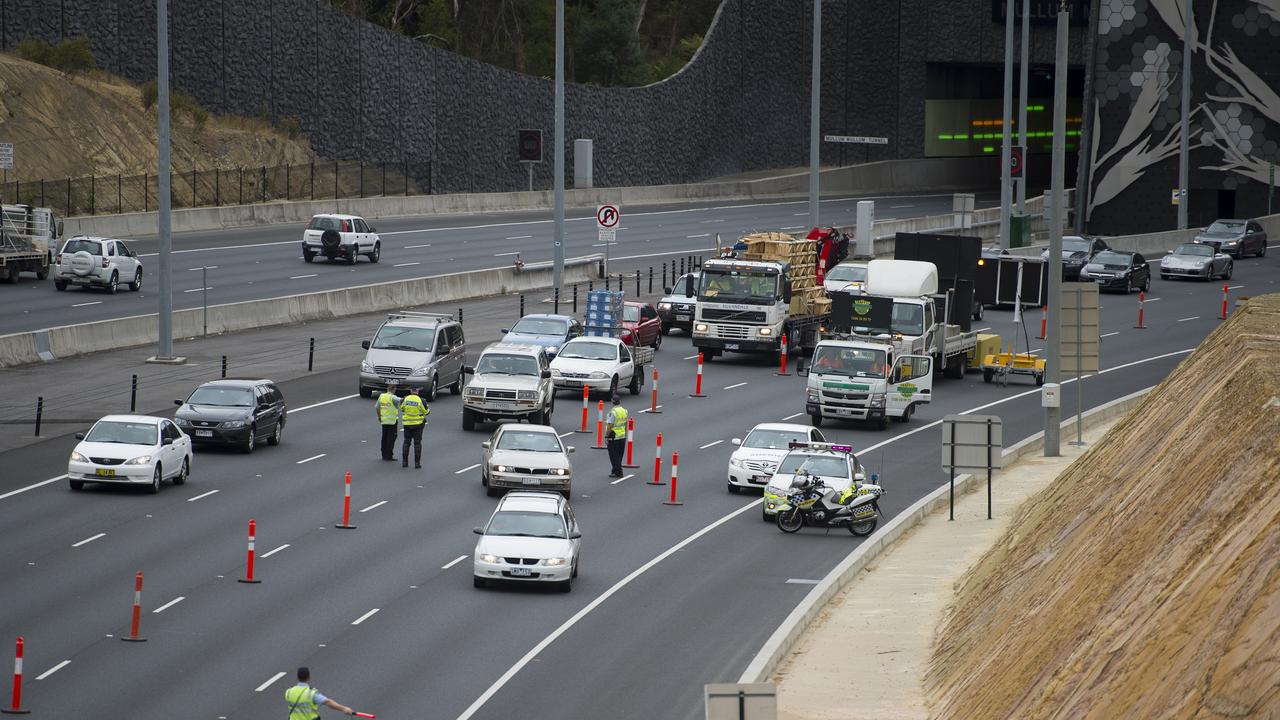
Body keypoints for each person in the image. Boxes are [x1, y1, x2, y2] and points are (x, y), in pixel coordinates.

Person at [284, 666, 355, 718]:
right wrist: (344, 709)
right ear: (308, 677)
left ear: (297, 677)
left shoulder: (289, 692)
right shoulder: (311, 694)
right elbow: (328, 702)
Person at [400, 385, 429, 469]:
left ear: (410, 391)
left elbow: (401, 408)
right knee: (417, 443)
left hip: (407, 424)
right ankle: (417, 463)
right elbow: (427, 412)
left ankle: (404, 462)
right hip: (418, 424)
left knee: (406, 442)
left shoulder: (405, 399)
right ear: (417, 391)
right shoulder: (421, 400)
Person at [375, 381, 402, 462]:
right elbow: (402, 400)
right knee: (391, 438)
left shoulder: (382, 396)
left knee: (384, 437)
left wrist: (379, 417)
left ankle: (384, 454)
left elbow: (377, 407)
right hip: (392, 421)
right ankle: (389, 455)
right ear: (394, 389)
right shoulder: (393, 397)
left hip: (384, 420)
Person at [605, 395, 628, 478]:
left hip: (614, 436)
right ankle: (614, 470)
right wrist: (625, 433)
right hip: (622, 436)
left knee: (613, 455)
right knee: (619, 455)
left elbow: (610, 425)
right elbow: (625, 423)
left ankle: (619, 472)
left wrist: (606, 436)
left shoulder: (613, 412)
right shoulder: (624, 411)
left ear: (612, 401)